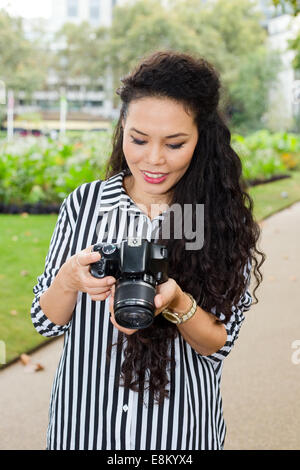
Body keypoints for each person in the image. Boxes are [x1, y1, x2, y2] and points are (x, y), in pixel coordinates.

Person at [31, 50, 265, 450]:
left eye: (174, 144)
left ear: (201, 138)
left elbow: (218, 343)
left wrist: (175, 302)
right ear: (123, 125)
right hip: (83, 429)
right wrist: (69, 278)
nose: (153, 159)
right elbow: (46, 321)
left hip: (176, 436)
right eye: (138, 139)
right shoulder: (85, 205)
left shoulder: (219, 221)